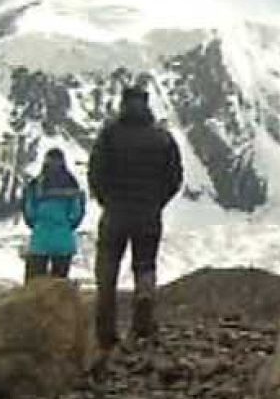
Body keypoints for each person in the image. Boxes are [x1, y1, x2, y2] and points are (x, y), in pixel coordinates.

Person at [88, 83, 182, 349]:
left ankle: (105, 331)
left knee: (107, 268)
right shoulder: (162, 137)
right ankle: (143, 318)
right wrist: (157, 202)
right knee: (145, 265)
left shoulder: (109, 134)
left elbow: (95, 172)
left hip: (115, 212)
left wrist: (106, 200)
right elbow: (174, 177)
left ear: (123, 103)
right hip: (148, 213)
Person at [21, 149, 86, 280]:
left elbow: (29, 212)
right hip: (64, 238)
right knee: (59, 285)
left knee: (34, 284)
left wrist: (36, 223)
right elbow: (76, 213)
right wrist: (67, 225)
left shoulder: (36, 184)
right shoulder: (72, 184)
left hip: (40, 237)